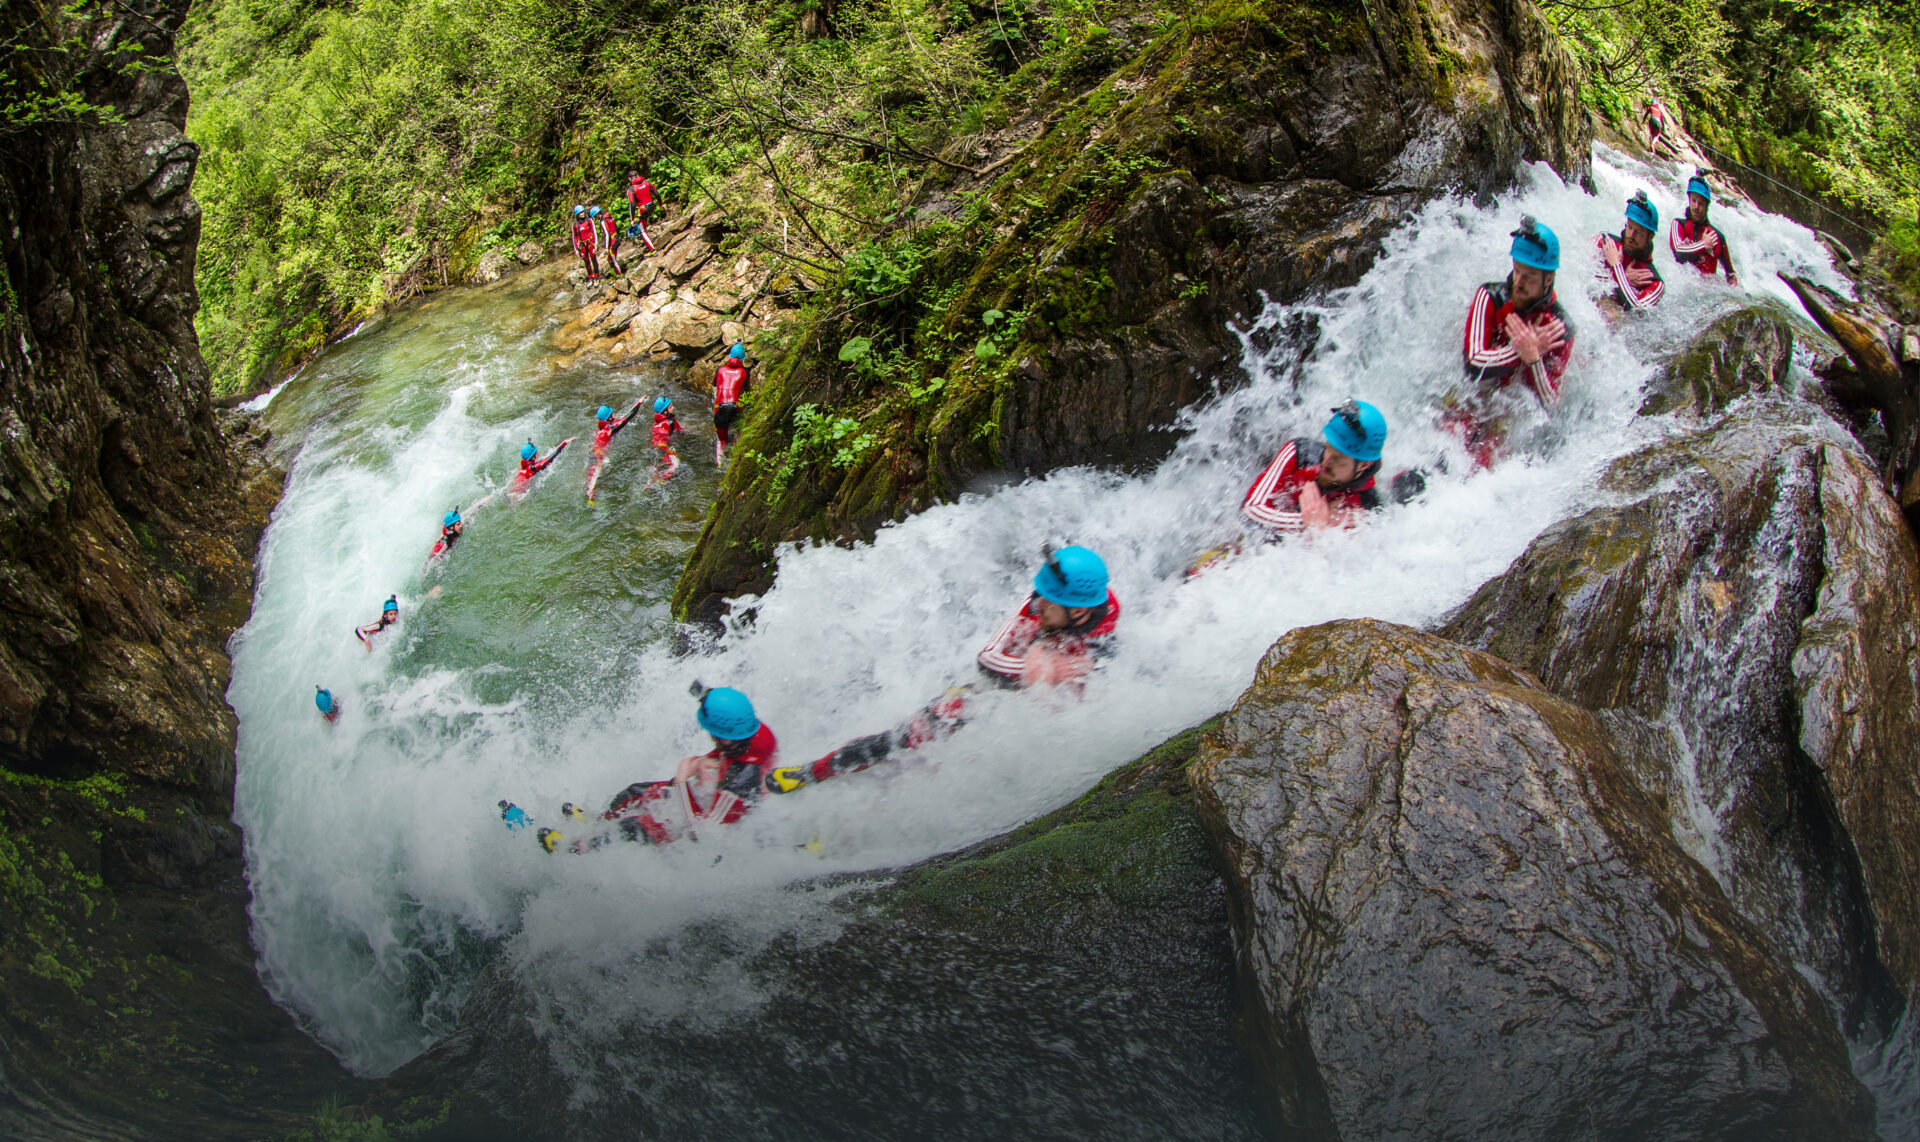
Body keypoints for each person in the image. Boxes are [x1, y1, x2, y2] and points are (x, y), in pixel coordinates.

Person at [540, 686, 780, 851]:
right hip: (705, 793)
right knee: (633, 792)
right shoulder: (747, 731)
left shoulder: (741, 784)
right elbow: (725, 713)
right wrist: (705, 695)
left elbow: (703, 831)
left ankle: (573, 850)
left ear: (725, 738)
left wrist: (683, 780)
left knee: (631, 828)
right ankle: (599, 820)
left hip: (706, 825)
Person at [1453, 216, 1575, 466]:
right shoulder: (1490, 296)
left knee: (1482, 467)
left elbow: (1551, 404)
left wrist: (1535, 359)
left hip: (1506, 420)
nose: (1517, 283)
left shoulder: (1560, 326)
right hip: (1469, 400)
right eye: (1516, 270)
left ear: (1548, 280)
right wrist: (1521, 351)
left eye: (1529, 277)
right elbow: (1473, 364)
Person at [976, 546, 1120, 691]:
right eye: (1040, 593)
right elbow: (987, 657)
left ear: (1077, 612)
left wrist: (1091, 665)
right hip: (1034, 655)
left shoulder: (1107, 613)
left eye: (1049, 601)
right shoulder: (1033, 607)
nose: (1039, 604)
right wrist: (1045, 667)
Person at [1243, 400, 1395, 533]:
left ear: (1364, 465)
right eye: (1328, 448)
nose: (1326, 460)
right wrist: (1317, 521)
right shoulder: (1299, 453)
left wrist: (1321, 528)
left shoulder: (1367, 507)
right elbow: (1252, 507)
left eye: (1337, 457)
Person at [1595, 190, 1665, 313]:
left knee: (1613, 315)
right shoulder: (1604, 241)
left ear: (1650, 237)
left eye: (1638, 232)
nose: (1631, 235)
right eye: (1630, 227)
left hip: (1617, 323)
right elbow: (1578, 273)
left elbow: (1636, 310)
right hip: (1589, 305)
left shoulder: (1655, 283)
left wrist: (1616, 266)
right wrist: (1623, 278)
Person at [1671, 171, 1738, 285]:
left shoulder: (1718, 237)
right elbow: (1679, 253)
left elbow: (1731, 275)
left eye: (1701, 203)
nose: (1696, 207)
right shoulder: (1678, 225)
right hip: (1683, 287)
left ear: (1707, 206)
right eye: (1693, 201)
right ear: (1689, 200)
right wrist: (1703, 245)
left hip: (1707, 293)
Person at [713, 343, 751, 463]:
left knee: (722, 440)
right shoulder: (745, 372)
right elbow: (747, 391)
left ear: (730, 356)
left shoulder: (719, 370)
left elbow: (715, 384)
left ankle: (720, 461)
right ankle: (737, 459)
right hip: (735, 408)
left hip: (720, 408)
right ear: (742, 359)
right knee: (738, 434)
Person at [625, 170, 658, 252]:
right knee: (643, 224)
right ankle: (649, 244)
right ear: (638, 175)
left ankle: (652, 250)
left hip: (643, 209)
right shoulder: (647, 183)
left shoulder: (631, 189)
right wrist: (661, 204)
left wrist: (632, 219)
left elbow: (632, 205)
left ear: (630, 179)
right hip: (652, 205)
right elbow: (656, 193)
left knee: (642, 230)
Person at [651, 396, 683, 477]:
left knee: (655, 468)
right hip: (664, 448)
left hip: (654, 448)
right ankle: (661, 481)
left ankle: (651, 482)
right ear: (665, 412)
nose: (673, 408)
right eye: (670, 407)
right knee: (675, 466)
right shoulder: (670, 422)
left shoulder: (655, 424)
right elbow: (681, 431)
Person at [589, 205, 622, 276]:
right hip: (616, 238)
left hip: (612, 241)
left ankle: (619, 275)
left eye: (595, 217)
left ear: (597, 215)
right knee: (611, 258)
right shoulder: (609, 216)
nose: (596, 219)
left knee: (612, 260)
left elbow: (607, 234)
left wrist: (606, 247)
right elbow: (616, 227)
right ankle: (616, 274)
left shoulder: (603, 221)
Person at [569, 204, 599, 280]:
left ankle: (596, 276)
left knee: (593, 259)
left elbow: (594, 232)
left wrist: (596, 244)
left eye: (583, 212)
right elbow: (574, 237)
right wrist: (575, 249)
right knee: (586, 261)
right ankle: (590, 277)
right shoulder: (575, 224)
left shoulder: (589, 220)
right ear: (577, 214)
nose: (582, 214)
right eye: (580, 213)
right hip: (582, 245)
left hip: (590, 243)